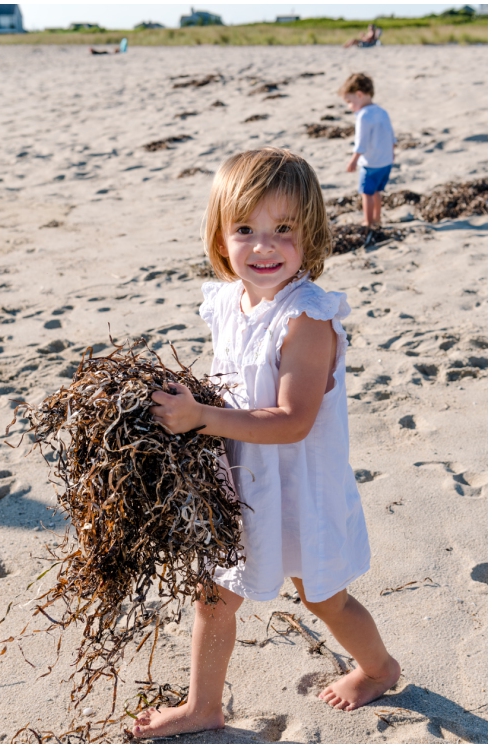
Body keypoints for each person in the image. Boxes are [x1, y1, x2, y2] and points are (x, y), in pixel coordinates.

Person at [133, 148, 400, 739]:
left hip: (300, 487)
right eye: (246, 229)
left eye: (284, 230)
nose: (263, 246)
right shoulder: (228, 301)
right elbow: (231, 382)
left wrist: (200, 418)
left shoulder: (306, 319)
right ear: (220, 236)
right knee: (213, 596)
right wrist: (185, 407)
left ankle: (379, 668)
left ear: (311, 234)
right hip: (241, 483)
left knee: (322, 596)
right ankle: (204, 706)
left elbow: (291, 421)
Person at [340, 73, 396, 231]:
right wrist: (392, 153)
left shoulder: (363, 116)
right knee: (377, 192)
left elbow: (361, 142)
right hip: (386, 162)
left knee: (367, 194)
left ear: (359, 94)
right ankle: (377, 219)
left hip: (371, 163)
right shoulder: (382, 111)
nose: (349, 107)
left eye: (350, 102)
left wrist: (354, 160)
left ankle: (368, 221)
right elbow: (391, 136)